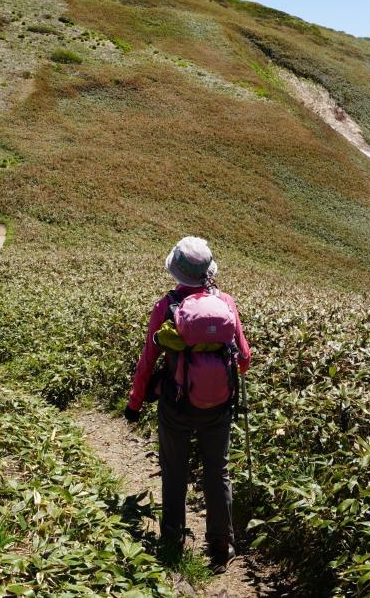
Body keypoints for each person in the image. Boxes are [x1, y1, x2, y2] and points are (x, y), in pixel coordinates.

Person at [124, 236, 251, 569]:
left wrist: (135, 404)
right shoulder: (225, 302)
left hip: (176, 404)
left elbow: (147, 361)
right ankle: (221, 547)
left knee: (175, 469)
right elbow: (245, 358)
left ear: (176, 271)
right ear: (208, 272)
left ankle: (172, 538)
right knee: (217, 470)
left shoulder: (166, 307)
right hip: (220, 405)